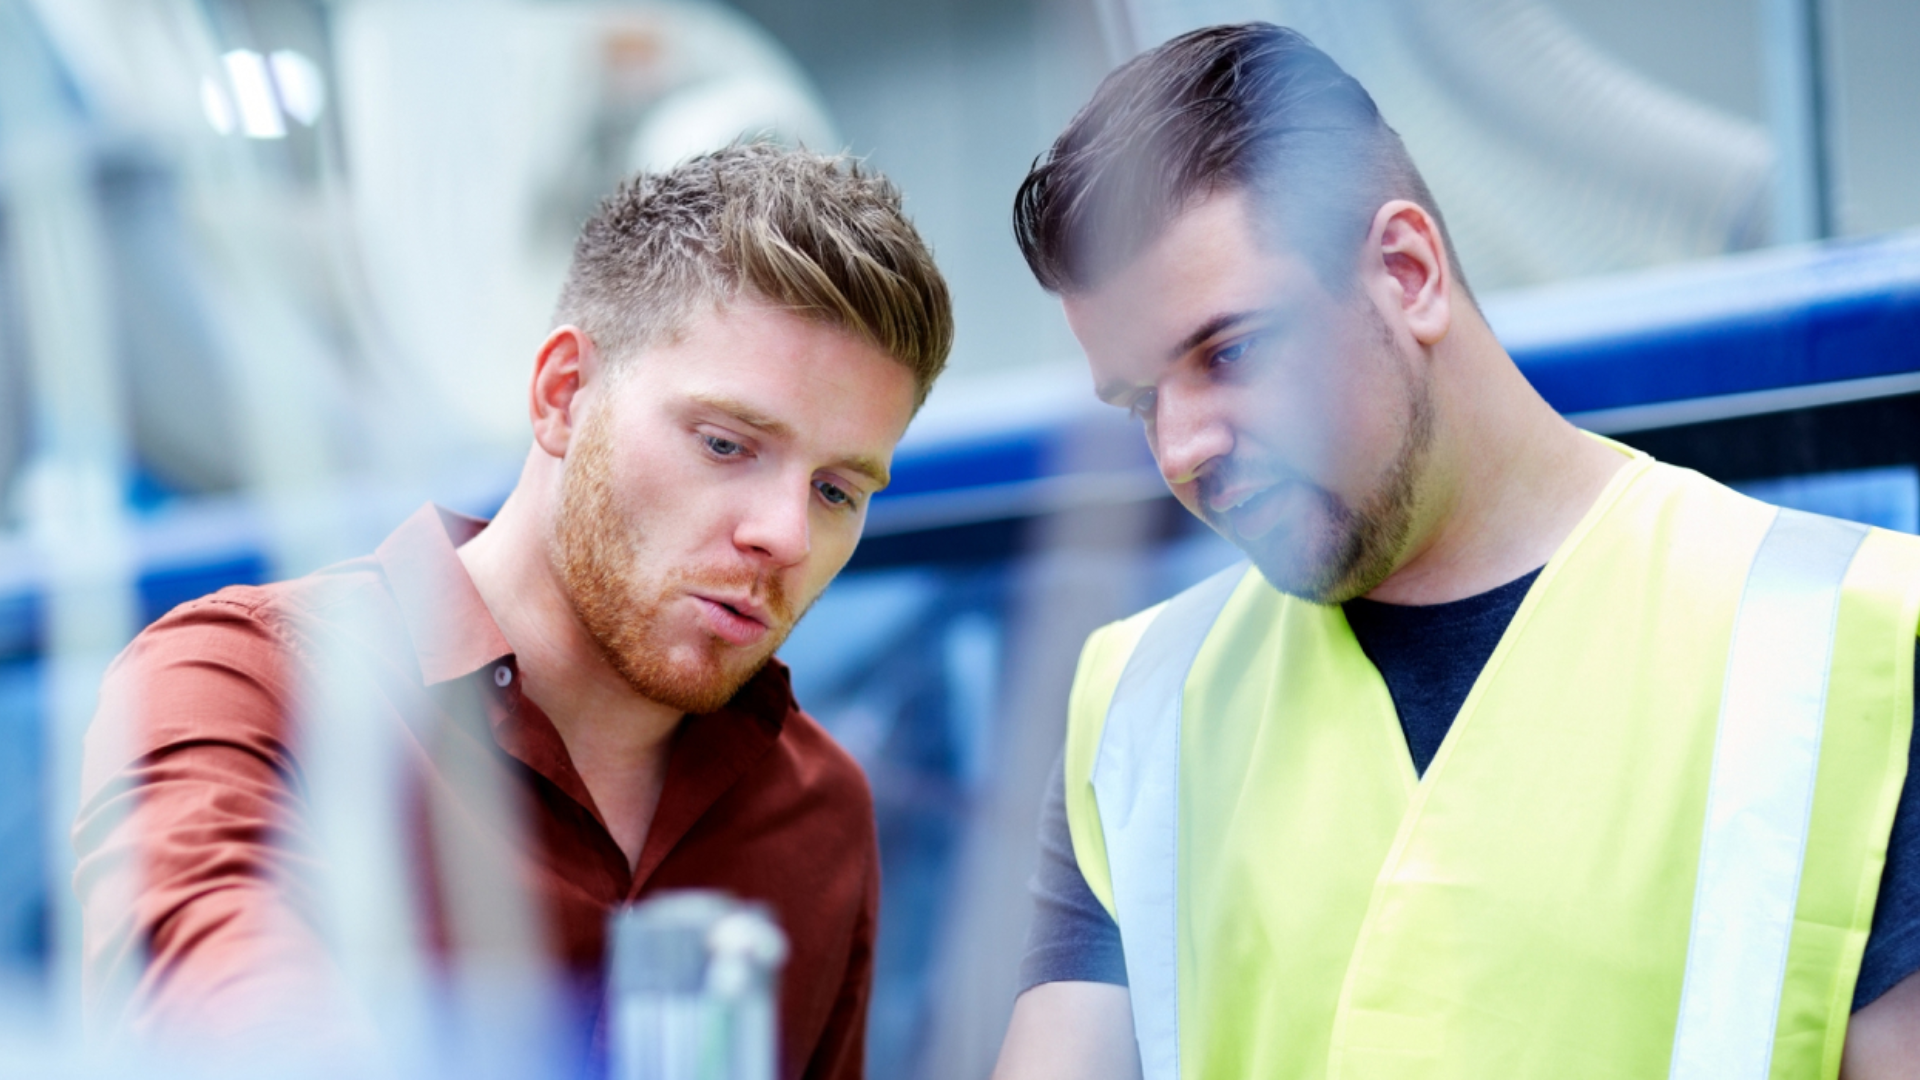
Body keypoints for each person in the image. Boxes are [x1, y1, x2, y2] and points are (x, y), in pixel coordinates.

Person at [993, 23, 1920, 1080]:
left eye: (1233, 351)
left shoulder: (1856, 647)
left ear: (1408, 269)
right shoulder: (1139, 705)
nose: (1182, 444)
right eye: (1141, 401)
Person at [72, 143, 952, 1078]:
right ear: (564, 395)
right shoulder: (244, 684)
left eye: (836, 492)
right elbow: (234, 1033)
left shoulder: (817, 814)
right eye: (727, 443)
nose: (782, 534)